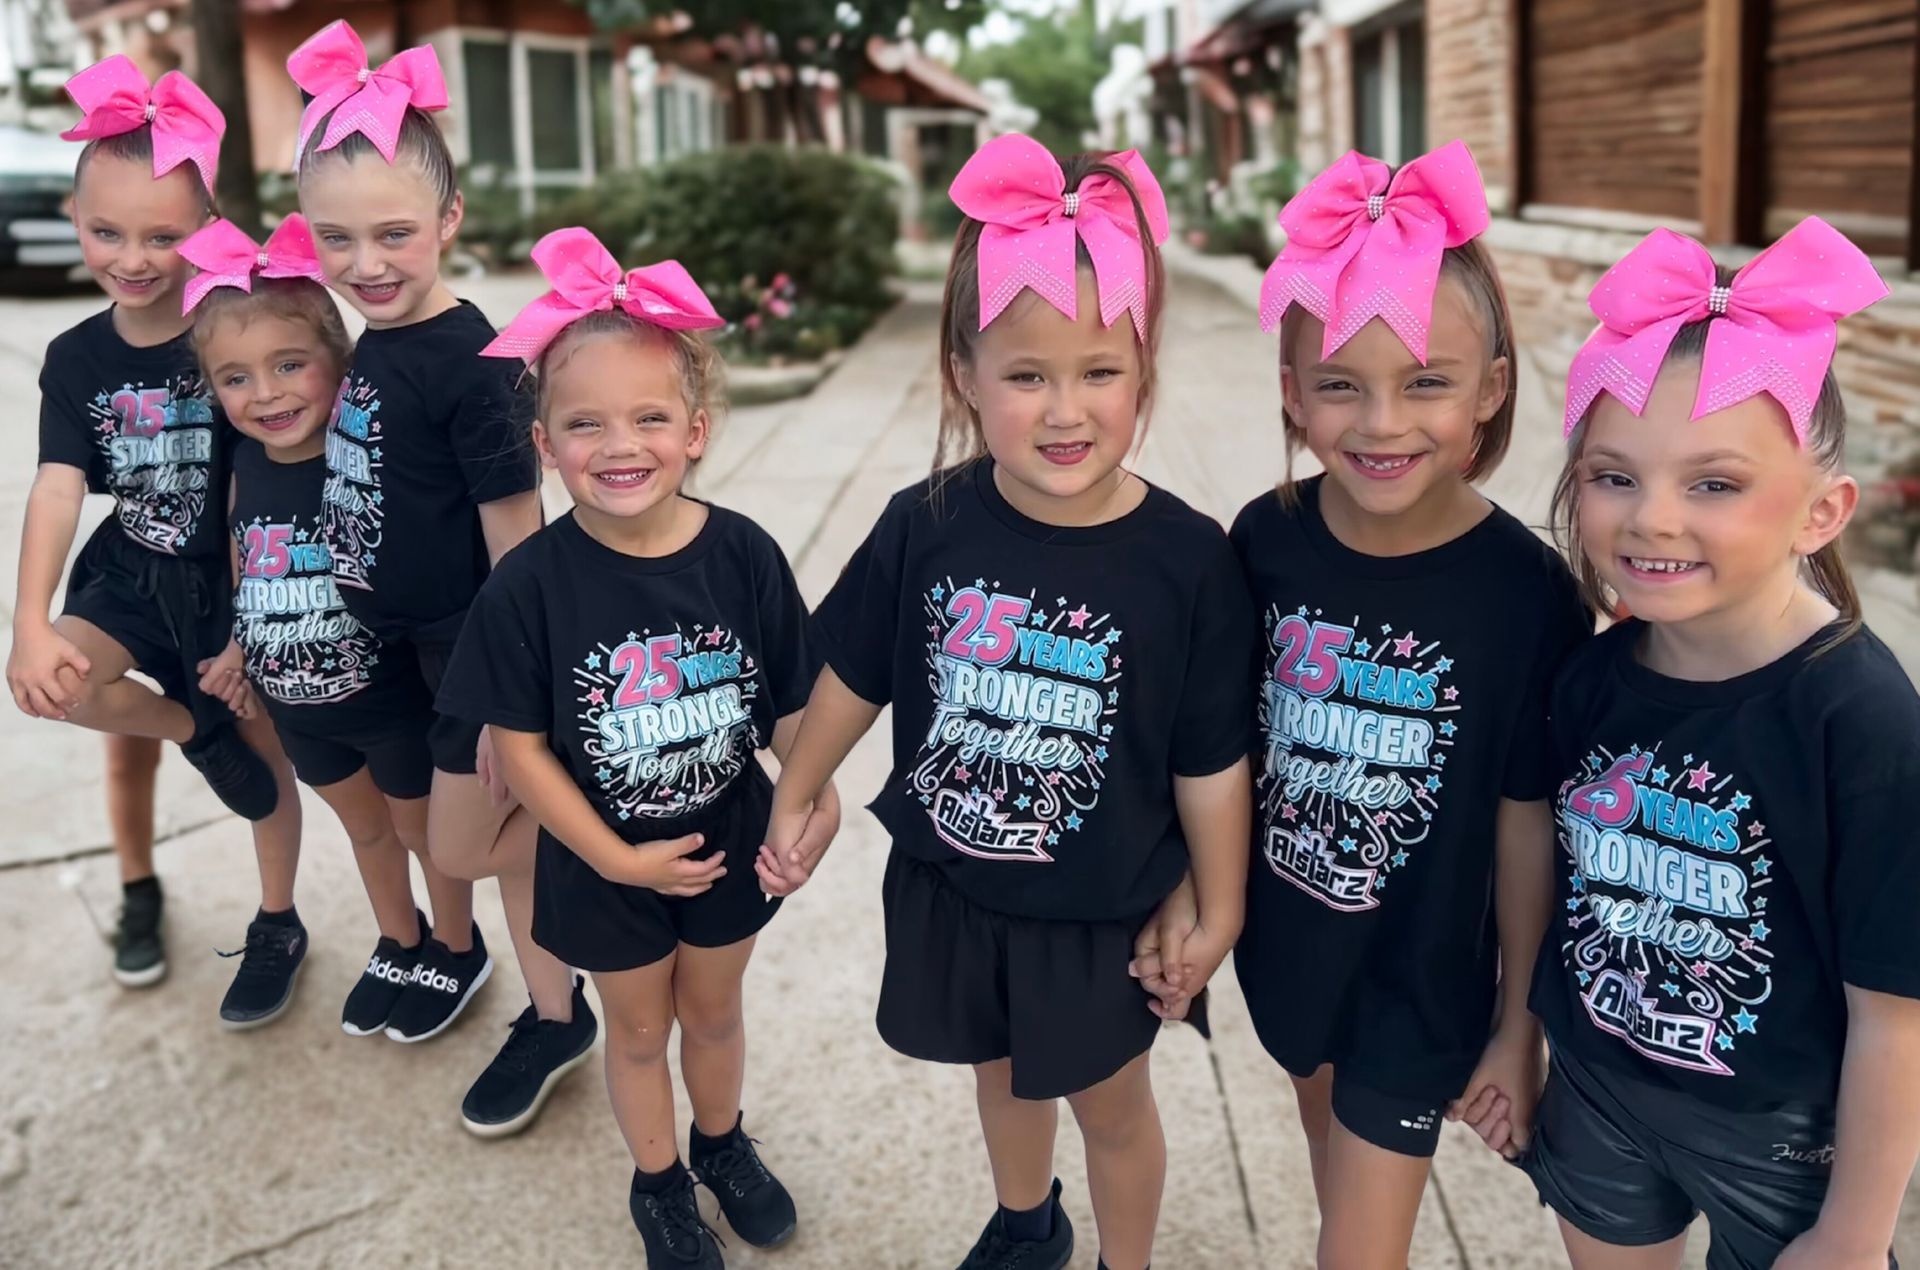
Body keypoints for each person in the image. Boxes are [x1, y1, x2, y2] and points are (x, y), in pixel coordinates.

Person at [760, 134, 1252, 1270]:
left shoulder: (1187, 560)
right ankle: (1025, 1219)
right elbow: (854, 670)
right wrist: (797, 787)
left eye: (1099, 371)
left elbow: (1211, 755)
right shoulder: (926, 522)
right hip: (958, 880)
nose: (1065, 409)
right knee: (998, 1067)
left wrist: (1215, 906)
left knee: (1111, 1106)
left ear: (1145, 372)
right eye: (1026, 375)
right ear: (964, 377)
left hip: (1099, 912)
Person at [1509, 217, 1920, 1270]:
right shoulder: (1592, 675)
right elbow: (1550, 877)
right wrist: (1512, 1035)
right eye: (1614, 476)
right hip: (1598, 1084)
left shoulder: (1861, 718)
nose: (1651, 519)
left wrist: (1856, 1232)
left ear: (1822, 512)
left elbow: (1895, 1011)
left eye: (1714, 483)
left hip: (1780, 1132)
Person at [441, 227, 835, 1266]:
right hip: (601, 859)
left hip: (726, 842)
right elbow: (519, 749)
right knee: (641, 1030)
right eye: (586, 424)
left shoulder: (744, 554)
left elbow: (792, 709)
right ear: (546, 443)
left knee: (712, 1013)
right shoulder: (529, 583)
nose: (620, 446)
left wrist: (814, 798)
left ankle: (722, 1145)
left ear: (696, 430)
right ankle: (658, 1183)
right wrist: (614, 856)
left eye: (649, 418)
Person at [12, 56, 303, 1020]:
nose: (131, 258)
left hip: (233, 574)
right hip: (133, 568)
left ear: (208, 231)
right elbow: (58, 487)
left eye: (162, 235)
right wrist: (28, 619)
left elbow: (270, 469)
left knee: (266, 765)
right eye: (106, 232)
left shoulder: (229, 331)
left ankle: (276, 920)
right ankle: (188, 745)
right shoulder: (75, 357)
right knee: (69, 684)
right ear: (74, 217)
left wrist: (252, 625)